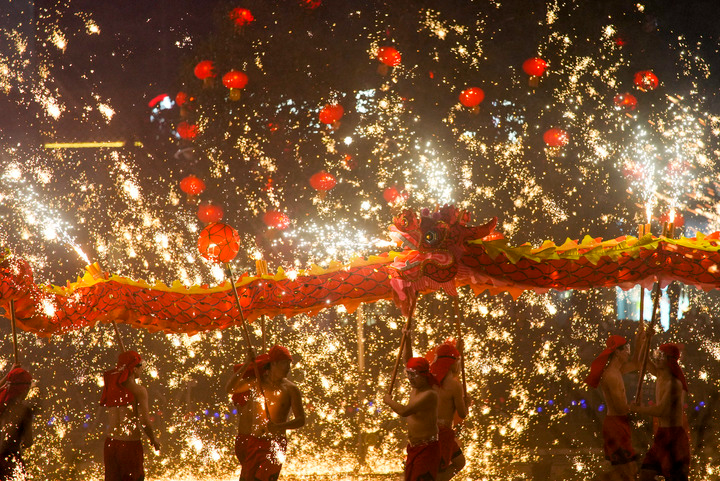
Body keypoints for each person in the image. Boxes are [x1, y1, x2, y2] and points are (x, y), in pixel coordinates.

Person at [225, 345, 305, 481]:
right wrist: (248, 363)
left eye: (289, 365)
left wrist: (279, 426)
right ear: (273, 364)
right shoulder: (258, 383)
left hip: (276, 444)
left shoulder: (291, 389)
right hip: (254, 442)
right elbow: (230, 389)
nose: (288, 369)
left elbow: (301, 420)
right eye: (285, 364)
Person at [630, 342, 690, 481]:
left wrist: (637, 408)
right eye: (657, 355)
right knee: (646, 474)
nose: (657, 359)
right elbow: (642, 362)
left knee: (676, 478)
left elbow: (661, 411)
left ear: (670, 360)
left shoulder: (674, 384)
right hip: (662, 435)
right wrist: (645, 339)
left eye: (661, 356)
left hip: (674, 438)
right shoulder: (660, 375)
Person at [585, 335, 639, 481]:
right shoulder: (611, 376)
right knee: (626, 471)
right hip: (615, 425)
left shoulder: (618, 371)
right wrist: (635, 408)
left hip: (619, 423)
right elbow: (620, 408)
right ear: (617, 352)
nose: (629, 352)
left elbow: (637, 363)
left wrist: (642, 339)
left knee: (627, 470)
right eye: (626, 349)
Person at [100, 350, 161, 481]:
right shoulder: (139, 390)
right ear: (133, 369)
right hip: (129, 445)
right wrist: (153, 439)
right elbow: (144, 421)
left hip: (110, 443)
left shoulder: (111, 386)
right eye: (141, 365)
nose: (143, 370)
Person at [383, 357, 440, 481]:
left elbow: (405, 411)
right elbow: (407, 359)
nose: (410, 379)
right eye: (408, 374)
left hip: (427, 449)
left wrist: (389, 401)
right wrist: (407, 339)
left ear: (424, 375)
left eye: (413, 375)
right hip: (414, 447)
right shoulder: (415, 389)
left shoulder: (430, 394)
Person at [429, 341, 468, 481]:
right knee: (459, 463)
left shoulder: (429, 380)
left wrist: (457, 351)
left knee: (437, 467)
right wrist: (465, 402)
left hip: (427, 430)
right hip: (443, 432)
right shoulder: (455, 386)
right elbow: (463, 414)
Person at [0, 364, 33, 479]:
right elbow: (28, 441)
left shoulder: (1, 405)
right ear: (25, 390)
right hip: (11, 463)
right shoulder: (24, 411)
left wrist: (9, 374)